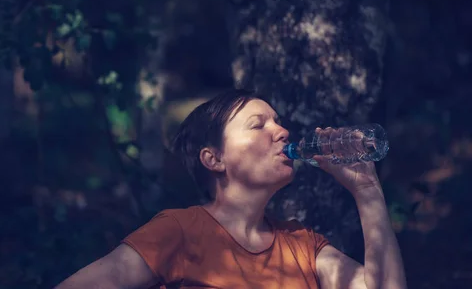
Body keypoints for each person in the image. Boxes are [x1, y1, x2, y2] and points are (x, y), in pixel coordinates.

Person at [54, 89, 407, 289]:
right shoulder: (179, 231)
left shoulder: (304, 247)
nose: (281, 131)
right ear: (214, 159)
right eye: (258, 125)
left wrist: (367, 191)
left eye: (278, 121)